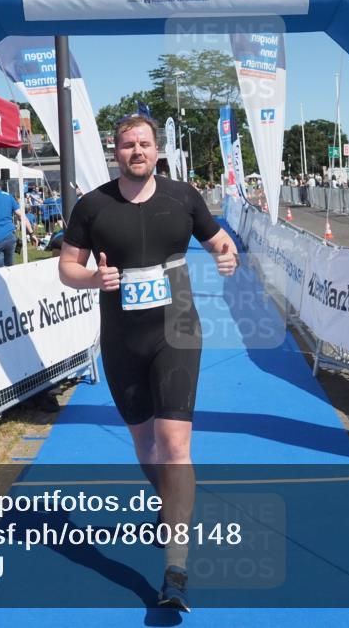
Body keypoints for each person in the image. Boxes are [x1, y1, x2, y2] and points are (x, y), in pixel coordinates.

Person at [58, 115, 237, 612]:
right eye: (127, 144)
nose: (136, 150)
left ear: (158, 149)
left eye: (144, 143)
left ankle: (175, 570)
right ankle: (172, 504)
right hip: (120, 339)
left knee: (174, 444)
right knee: (146, 443)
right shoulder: (93, 205)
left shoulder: (183, 197)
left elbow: (219, 241)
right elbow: (67, 267)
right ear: (115, 151)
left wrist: (227, 254)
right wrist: (93, 279)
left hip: (177, 331)